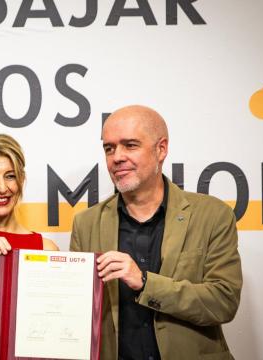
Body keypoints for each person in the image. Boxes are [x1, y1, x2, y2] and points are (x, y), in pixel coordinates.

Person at [70, 105, 242, 360]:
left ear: (161, 149)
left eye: (130, 145)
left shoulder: (213, 215)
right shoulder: (86, 223)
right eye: (109, 148)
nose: (116, 157)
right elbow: (76, 308)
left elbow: (223, 302)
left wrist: (145, 283)